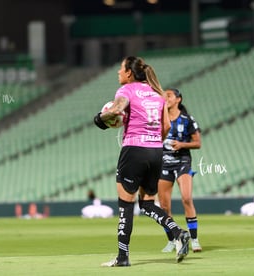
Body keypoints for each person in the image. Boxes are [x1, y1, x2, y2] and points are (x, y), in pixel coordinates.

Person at [94, 56, 190, 267]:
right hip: (156, 151)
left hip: (134, 150)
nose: (118, 73)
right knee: (147, 203)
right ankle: (178, 232)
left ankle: (122, 257)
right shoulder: (157, 95)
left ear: (129, 73)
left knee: (125, 205)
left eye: (120, 69)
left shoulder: (126, 90)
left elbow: (117, 109)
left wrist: (100, 118)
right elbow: (166, 127)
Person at [157, 88, 203, 253]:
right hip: (163, 164)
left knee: (186, 198)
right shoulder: (158, 119)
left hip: (182, 162)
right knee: (164, 207)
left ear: (178, 99)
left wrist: (182, 144)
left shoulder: (187, 119)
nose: (165, 98)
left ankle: (195, 239)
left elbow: (198, 143)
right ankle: (172, 240)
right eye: (164, 95)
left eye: (169, 95)